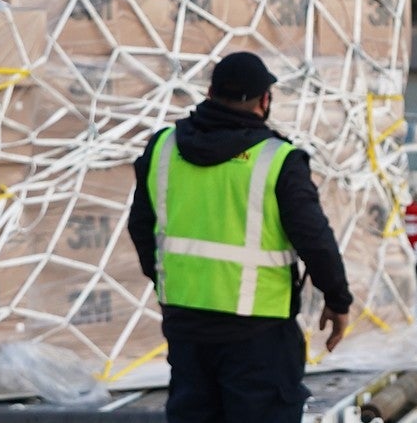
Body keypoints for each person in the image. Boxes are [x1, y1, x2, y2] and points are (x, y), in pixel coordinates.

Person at [128, 52, 354, 423]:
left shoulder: (163, 148)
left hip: (187, 327)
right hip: (258, 334)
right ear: (265, 100)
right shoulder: (277, 160)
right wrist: (337, 299)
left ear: (210, 91)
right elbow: (314, 239)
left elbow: (141, 228)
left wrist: (170, 282)